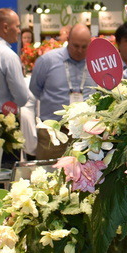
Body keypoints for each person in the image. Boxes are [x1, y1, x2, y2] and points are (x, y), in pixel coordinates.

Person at [30, 24, 94, 159]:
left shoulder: (96, 63)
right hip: (52, 133)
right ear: (68, 40)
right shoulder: (47, 61)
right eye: (75, 46)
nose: (79, 50)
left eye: (84, 47)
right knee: (48, 169)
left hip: (86, 135)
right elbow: (35, 90)